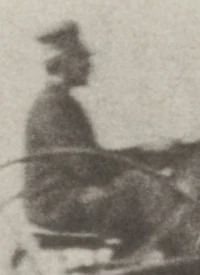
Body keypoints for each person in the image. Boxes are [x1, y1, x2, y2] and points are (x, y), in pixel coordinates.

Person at [24, 20, 178, 255]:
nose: (88, 65)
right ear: (62, 63)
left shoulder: (60, 102)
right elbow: (87, 166)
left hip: (65, 199)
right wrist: (146, 156)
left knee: (141, 183)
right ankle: (172, 256)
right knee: (145, 186)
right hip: (57, 205)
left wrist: (146, 153)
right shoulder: (53, 106)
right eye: (81, 58)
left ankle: (140, 254)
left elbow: (89, 160)